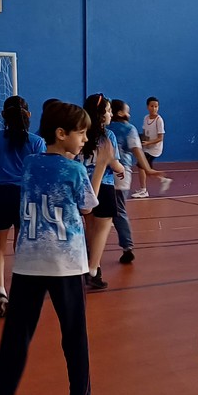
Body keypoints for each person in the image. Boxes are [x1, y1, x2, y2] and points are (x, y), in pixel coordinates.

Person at [0, 100, 107, 395]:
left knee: (16, 337)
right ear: (61, 133)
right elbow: (88, 207)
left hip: (28, 263)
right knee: (75, 337)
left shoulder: (29, 163)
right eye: (81, 133)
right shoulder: (74, 170)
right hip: (65, 264)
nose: (85, 139)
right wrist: (99, 167)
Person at [0, 96, 46, 317]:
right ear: (29, 115)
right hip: (26, 196)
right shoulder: (37, 141)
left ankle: (0, 291)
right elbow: (39, 172)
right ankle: (20, 291)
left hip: (2, 195)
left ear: (3, 115)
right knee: (21, 246)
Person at [107, 99, 168, 264]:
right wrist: (148, 169)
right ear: (120, 113)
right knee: (119, 211)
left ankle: (91, 250)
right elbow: (137, 150)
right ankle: (127, 247)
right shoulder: (129, 129)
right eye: (127, 110)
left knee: (97, 213)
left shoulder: (105, 128)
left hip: (102, 174)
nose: (129, 113)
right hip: (121, 174)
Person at [78, 94, 126, 289]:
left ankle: (91, 267)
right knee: (103, 229)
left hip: (84, 184)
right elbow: (113, 163)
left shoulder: (81, 133)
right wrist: (121, 169)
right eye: (108, 111)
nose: (111, 114)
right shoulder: (108, 136)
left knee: (90, 227)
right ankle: (93, 270)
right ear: (100, 115)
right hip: (103, 186)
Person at [133, 96, 165, 198]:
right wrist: (142, 141)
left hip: (155, 149)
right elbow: (145, 133)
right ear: (147, 107)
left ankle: (143, 190)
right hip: (147, 147)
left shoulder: (159, 120)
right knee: (147, 169)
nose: (154, 108)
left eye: (156, 106)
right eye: (152, 106)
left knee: (141, 166)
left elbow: (160, 138)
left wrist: (149, 143)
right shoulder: (146, 118)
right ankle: (163, 179)